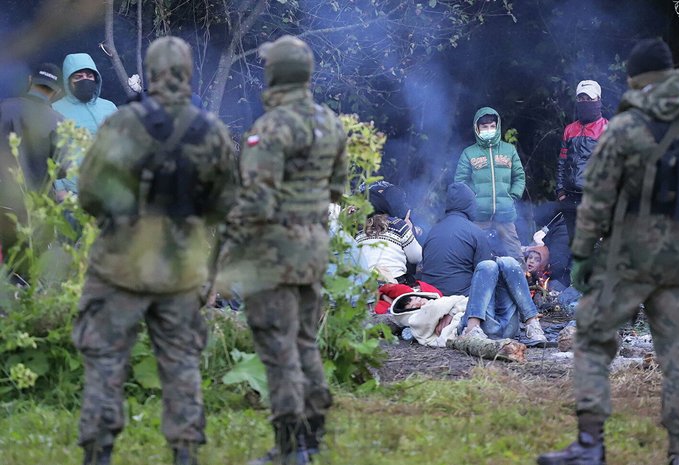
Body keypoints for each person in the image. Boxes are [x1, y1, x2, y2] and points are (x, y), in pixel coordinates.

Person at [538, 38, 679, 465]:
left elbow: (594, 196)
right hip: (678, 259)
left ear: (636, 78)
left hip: (625, 259)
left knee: (593, 338)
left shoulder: (625, 128)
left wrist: (581, 256)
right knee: (675, 354)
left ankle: (591, 445)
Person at [72, 36, 238, 465]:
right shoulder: (211, 133)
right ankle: (184, 452)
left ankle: (98, 451)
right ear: (186, 73)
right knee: (181, 361)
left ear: (149, 73)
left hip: (120, 264)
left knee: (107, 360)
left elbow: (88, 194)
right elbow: (226, 210)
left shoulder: (120, 124)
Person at [216, 35, 347, 465]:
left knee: (278, 346)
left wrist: (226, 253)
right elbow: (336, 191)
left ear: (276, 73)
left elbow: (257, 201)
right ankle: (313, 434)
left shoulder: (270, 128)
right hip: (312, 246)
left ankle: (290, 449)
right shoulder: (331, 122)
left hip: (273, 251)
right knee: (305, 341)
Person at [417, 182, 546, 342]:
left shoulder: (432, 232)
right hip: (475, 316)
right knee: (497, 264)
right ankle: (532, 323)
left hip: (449, 306)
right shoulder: (475, 233)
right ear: (470, 205)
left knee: (503, 262)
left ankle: (532, 321)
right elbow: (486, 276)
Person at [0, 63, 65, 267]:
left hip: (4, 204)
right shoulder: (58, 121)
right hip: (39, 208)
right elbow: (62, 169)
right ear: (57, 92)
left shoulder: (3, 108)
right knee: (31, 269)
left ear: (30, 81)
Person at [454, 107, 526, 262]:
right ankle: (469, 282)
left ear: (497, 126)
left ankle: (524, 283)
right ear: (477, 128)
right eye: (484, 127)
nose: (489, 129)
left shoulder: (509, 150)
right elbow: (460, 182)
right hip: (478, 215)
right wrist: (473, 199)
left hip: (505, 214)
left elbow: (519, 176)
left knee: (515, 253)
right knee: (470, 251)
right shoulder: (469, 153)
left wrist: (512, 196)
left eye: (492, 126)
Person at [556, 80, 609, 243]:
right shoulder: (570, 129)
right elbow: (562, 162)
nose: (585, 102)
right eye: (581, 98)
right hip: (570, 197)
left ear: (598, 100)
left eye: (589, 98)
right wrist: (560, 191)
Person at [52, 53, 117, 135]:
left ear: (96, 79)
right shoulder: (56, 110)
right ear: (67, 81)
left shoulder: (109, 107)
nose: (85, 81)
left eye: (89, 76)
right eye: (78, 77)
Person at [356, 212, 422, 283]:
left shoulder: (359, 229)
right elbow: (416, 257)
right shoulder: (399, 224)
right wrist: (410, 231)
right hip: (394, 280)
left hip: (365, 282)